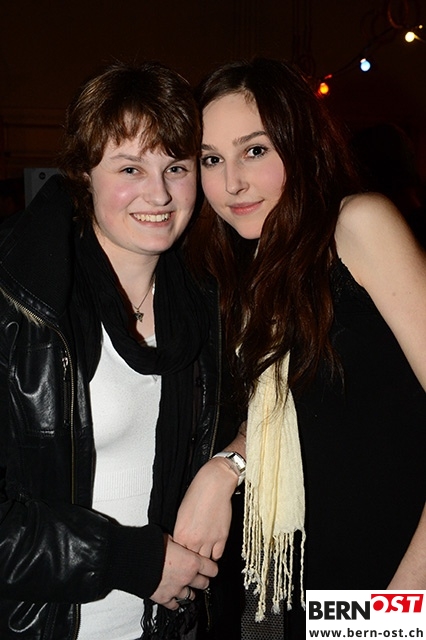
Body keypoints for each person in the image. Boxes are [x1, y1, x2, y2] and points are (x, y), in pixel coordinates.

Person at [175, 58, 426, 639]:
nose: (232, 182)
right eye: (211, 159)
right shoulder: (247, 266)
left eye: (255, 150)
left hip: (384, 587)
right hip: (289, 592)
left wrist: (397, 611)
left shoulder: (357, 225)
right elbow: (295, 411)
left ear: (301, 144)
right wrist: (226, 468)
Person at [0, 60, 240, 640]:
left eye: (176, 167)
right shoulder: (20, 302)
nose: (159, 194)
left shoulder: (210, 296)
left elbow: (285, 401)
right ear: (84, 174)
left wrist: (228, 468)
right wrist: (131, 559)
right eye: (130, 167)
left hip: (171, 626)